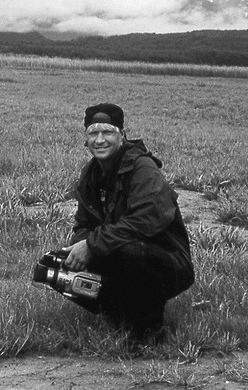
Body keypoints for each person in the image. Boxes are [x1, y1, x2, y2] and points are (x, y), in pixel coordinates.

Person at [62, 102, 195, 343]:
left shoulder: (143, 169)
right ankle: (117, 312)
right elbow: (83, 223)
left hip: (163, 261)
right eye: (93, 133)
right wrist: (82, 246)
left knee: (130, 252)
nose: (100, 140)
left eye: (107, 132)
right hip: (115, 252)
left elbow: (145, 222)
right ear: (86, 138)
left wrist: (92, 246)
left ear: (122, 135)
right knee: (55, 268)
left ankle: (149, 330)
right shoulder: (90, 175)